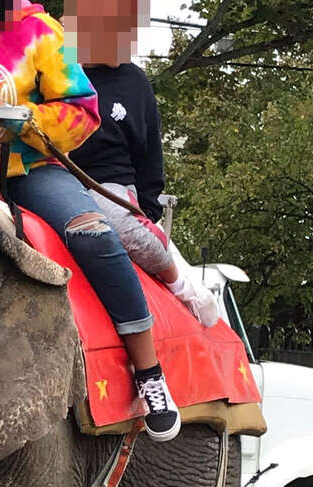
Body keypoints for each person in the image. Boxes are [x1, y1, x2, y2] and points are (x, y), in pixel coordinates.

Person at [0, 0, 181, 440]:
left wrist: (21, 119)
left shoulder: (39, 31)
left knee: (93, 234)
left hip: (28, 171)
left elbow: (84, 111)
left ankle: (148, 372)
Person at [66, 0, 219, 327]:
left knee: (116, 223)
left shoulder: (135, 82)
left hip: (111, 188)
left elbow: (150, 157)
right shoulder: (57, 70)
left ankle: (179, 281)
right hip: (55, 176)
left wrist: (147, 211)